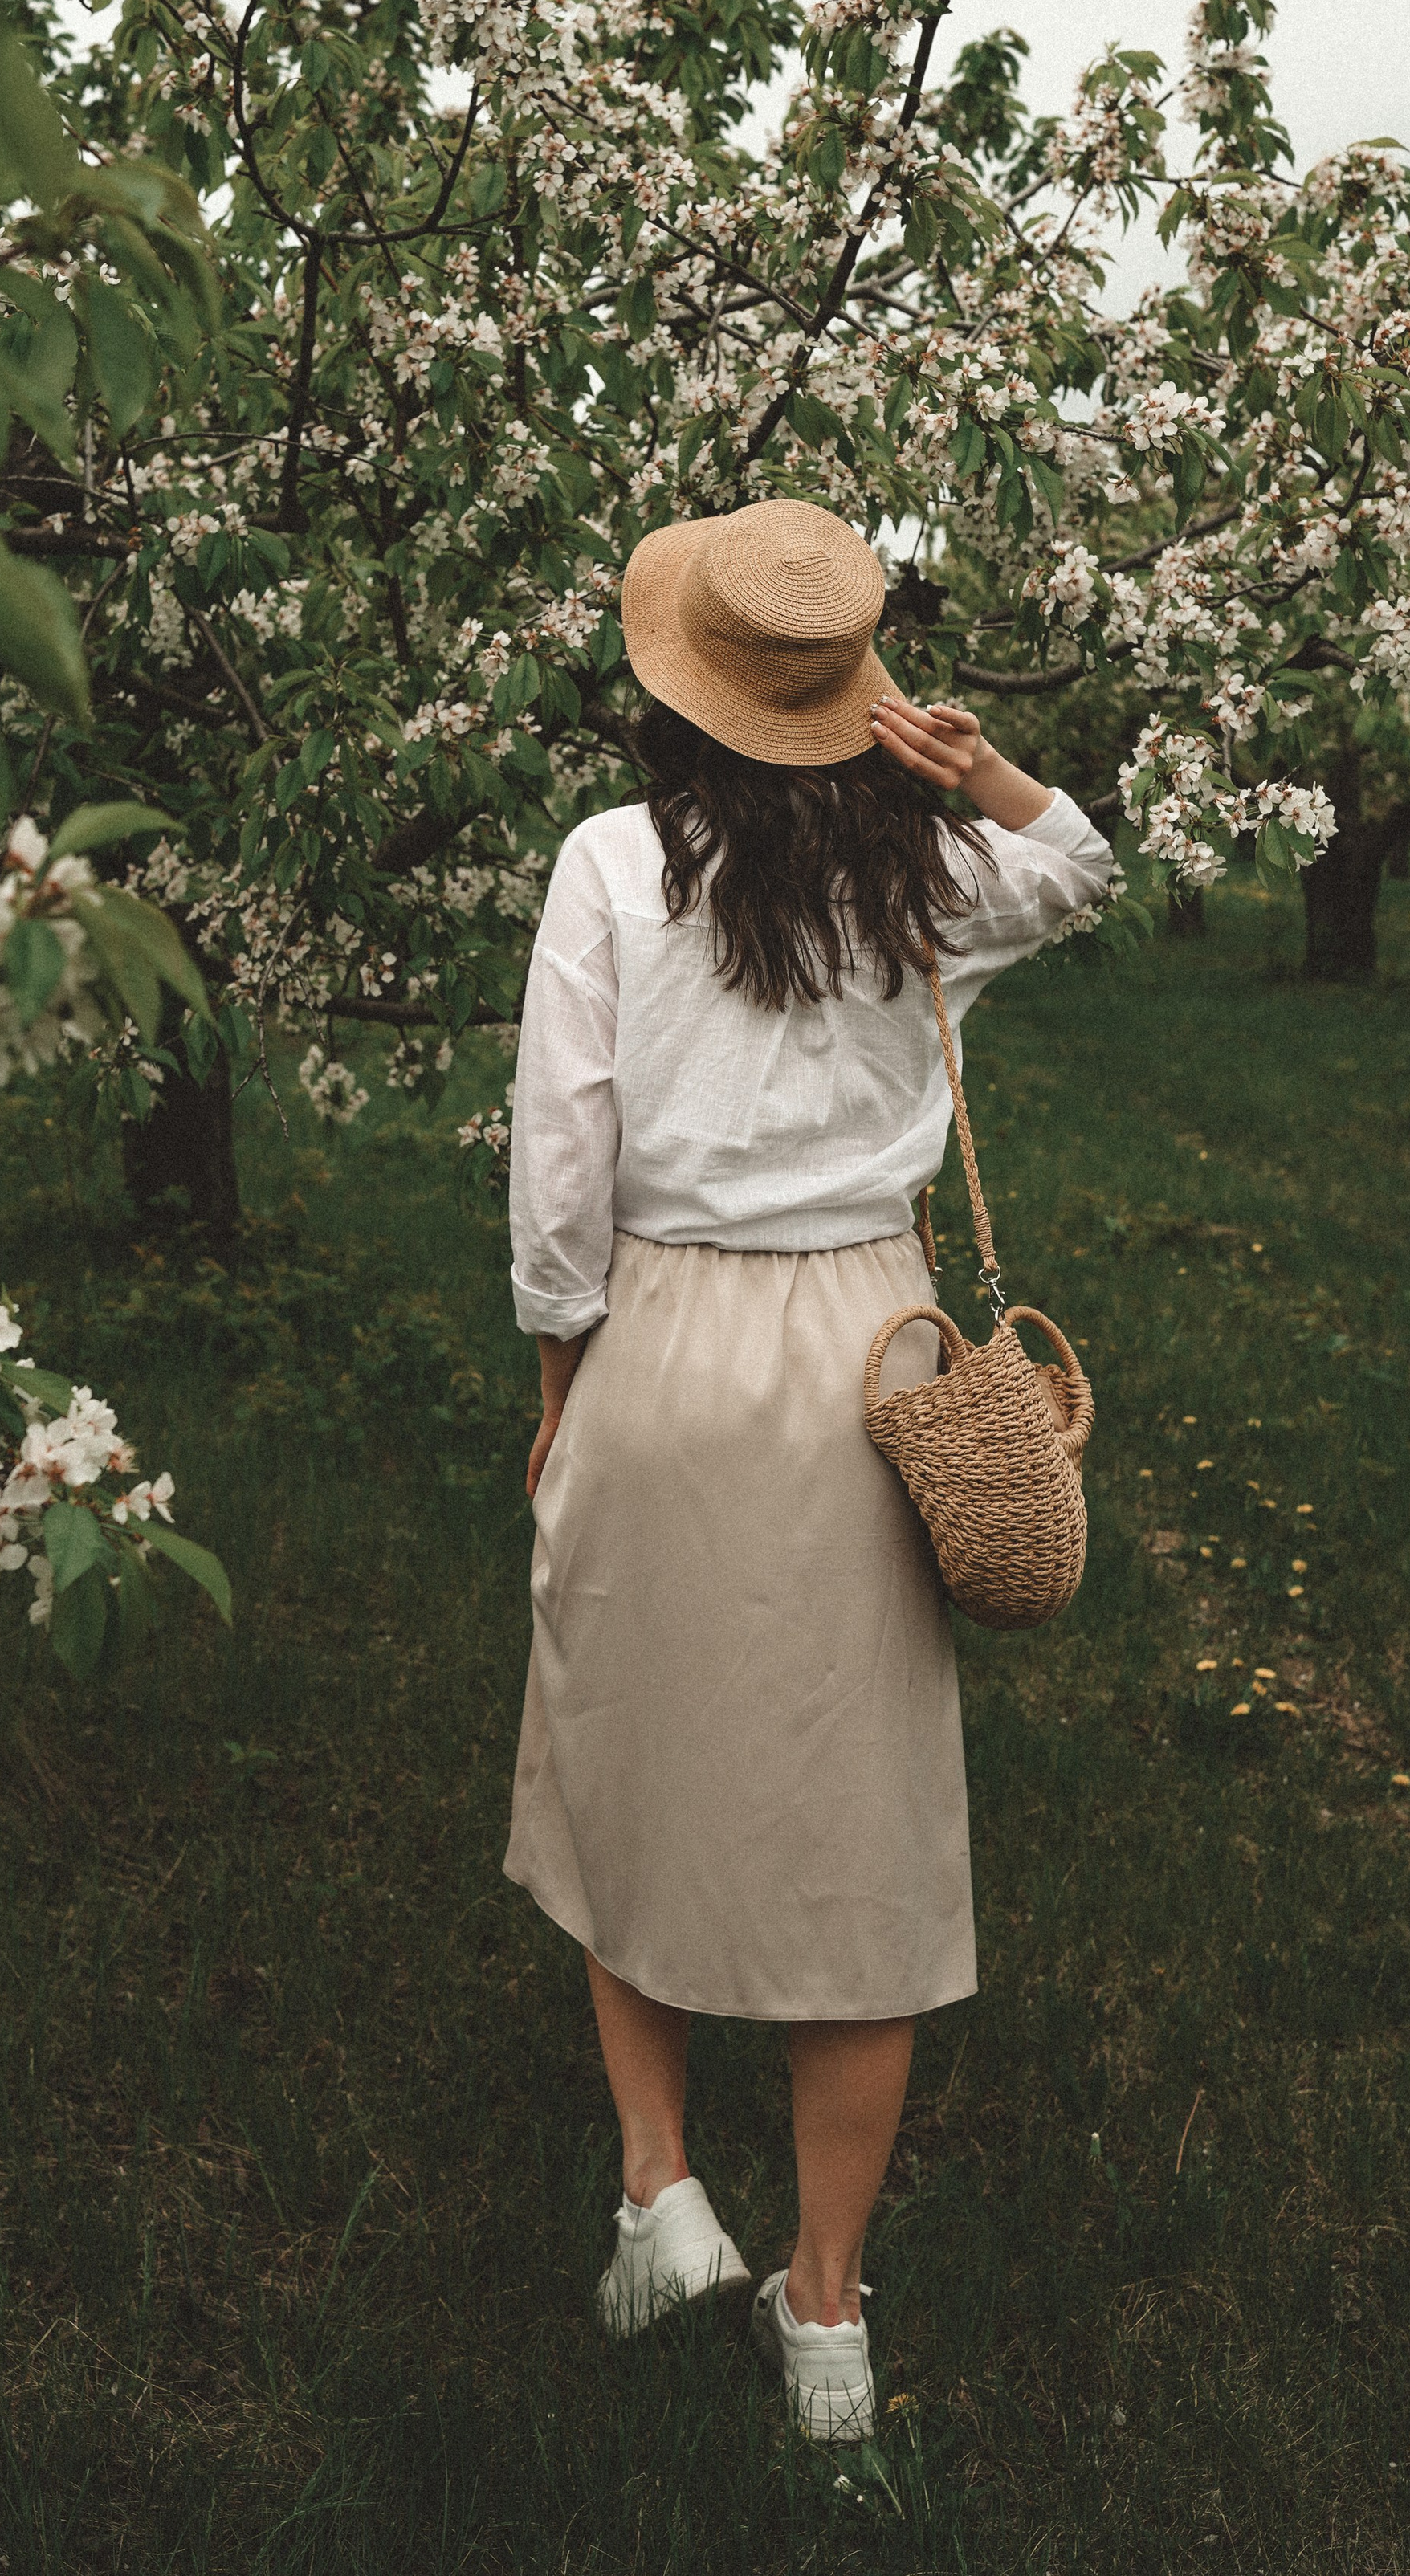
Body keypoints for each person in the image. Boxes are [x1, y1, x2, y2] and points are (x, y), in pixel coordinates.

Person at [503, 496, 1115, 2440]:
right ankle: (826, 2324)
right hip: (871, 1345)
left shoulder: (608, 860)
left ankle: (656, 2194)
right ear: (851, 688)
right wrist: (980, 766)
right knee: (857, 1841)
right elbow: (1079, 872)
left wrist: (554, 1378)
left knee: (627, 1767)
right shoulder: (924, 864)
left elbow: (560, 1168)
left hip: (665, 1341)